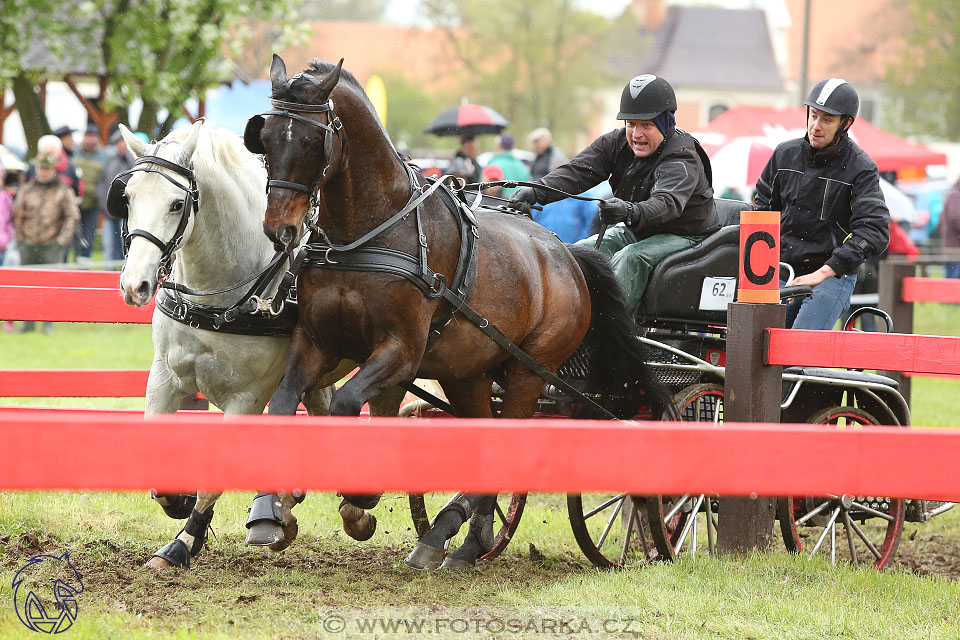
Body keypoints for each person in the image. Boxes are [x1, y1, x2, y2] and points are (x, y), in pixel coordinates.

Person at [510, 74, 719, 310]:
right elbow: (577, 172)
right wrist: (536, 191)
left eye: (647, 125)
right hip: (641, 230)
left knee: (631, 257)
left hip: (686, 236)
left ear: (666, 123)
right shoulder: (616, 143)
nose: (636, 134)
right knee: (577, 253)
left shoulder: (681, 155)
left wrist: (629, 211)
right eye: (631, 124)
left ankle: (607, 335)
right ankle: (559, 319)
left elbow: (666, 203)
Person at [755, 78, 890, 330]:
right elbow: (761, 210)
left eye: (827, 120)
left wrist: (824, 273)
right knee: (752, 346)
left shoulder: (862, 168)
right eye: (813, 115)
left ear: (845, 124)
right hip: (780, 270)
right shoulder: (784, 154)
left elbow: (875, 231)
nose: (816, 126)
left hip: (831, 275)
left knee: (798, 356)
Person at [11, 151, 81, 333]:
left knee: (50, 285)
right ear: (36, 169)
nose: (43, 172)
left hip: (52, 245)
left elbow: (73, 216)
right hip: (28, 244)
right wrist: (20, 237)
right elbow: (17, 214)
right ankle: (28, 322)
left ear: (53, 170)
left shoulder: (63, 191)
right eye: (41, 168)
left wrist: (61, 241)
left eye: (47, 168)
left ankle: (48, 322)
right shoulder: (26, 189)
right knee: (27, 285)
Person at [70, 123, 110, 262]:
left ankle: (84, 268)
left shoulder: (105, 156)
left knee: (88, 238)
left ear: (98, 138)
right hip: (73, 204)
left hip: (92, 205)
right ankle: (71, 268)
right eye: (88, 136)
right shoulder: (74, 152)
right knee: (72, 238)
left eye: (93, 136)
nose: (90, 139)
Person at [939, 177, 960, 278]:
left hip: (954, 248)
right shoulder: (955, 195)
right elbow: (955, 219)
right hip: (955, 249)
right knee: (953, 282)